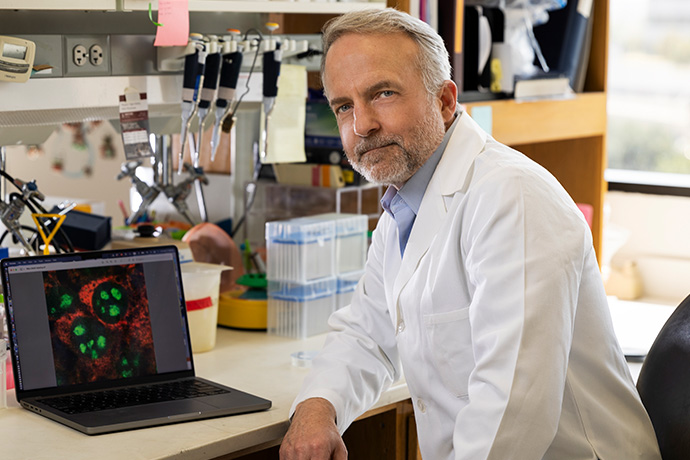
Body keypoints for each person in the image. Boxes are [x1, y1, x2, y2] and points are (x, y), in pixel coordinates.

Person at [280, 8, 661, 460]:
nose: (362, 125)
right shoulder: (406, 202)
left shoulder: (511, 198)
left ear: (444, 101)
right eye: (344, 106)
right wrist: (316, 407)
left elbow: (511, 415)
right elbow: (366, 333)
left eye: (382, 94)